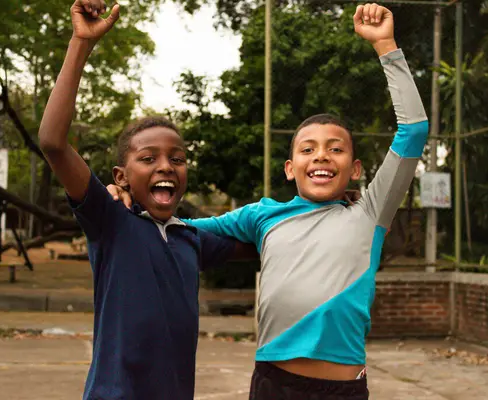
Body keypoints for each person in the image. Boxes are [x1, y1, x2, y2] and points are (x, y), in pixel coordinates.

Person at [109, 3, 428, 399]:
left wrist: (385, 45)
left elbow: (413, 131)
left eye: (336, 149)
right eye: (308, 149)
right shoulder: (264, 216)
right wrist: (128, 199)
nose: (322, 156)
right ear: (290, 169)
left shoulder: (370, 213)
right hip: (274, 385)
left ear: (356, 169)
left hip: (343, 388)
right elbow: (180, 230)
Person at [38, 1, 254, 399]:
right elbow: (53, 142)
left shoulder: (191, 238)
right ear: (121, 176)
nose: (166, 166)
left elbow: (268, 242)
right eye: (148, 158)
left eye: (177, 158)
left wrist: (324, 204)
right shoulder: (111, 221)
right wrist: (81, 43)